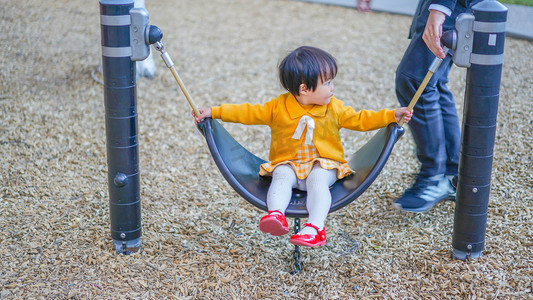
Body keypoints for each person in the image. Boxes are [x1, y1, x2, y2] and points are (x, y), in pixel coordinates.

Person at [193, 46, 412, 247]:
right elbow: (247, 112)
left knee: (317, 180)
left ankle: (315, 227)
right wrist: (215, 111)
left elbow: (360, 119)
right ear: (304, 89)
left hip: (324, 165)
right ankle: (276, 215)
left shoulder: (333, 108)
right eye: (327, 83)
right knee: (280, 174)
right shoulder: (278, 107)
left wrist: (391, 115)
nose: (332, 88)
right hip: (290, 163)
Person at [393, 0, 480, 212]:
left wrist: (440, 8)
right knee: (434, 84)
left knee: (414, 81)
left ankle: (434, 177)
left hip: (451, 7)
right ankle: (452, 173)